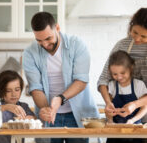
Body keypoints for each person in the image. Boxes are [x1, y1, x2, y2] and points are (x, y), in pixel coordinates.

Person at [22, 11, 99, 143]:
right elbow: (35, 88)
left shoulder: (77, 45)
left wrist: (60, 98)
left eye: (48, 38)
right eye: (39, 40)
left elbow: (81, 81)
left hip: (78, 115)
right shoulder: (30, 53)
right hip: (49, 117)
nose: (45, 44)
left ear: (57, 28)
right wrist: (45, 108)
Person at [97, 8, 147, 122]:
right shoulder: (122, 45)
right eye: (134, 32)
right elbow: (103, 80)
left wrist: (135, 104)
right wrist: (108, 102)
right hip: (122, 117)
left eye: (143, 36)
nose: (137, 39)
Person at [106, 50, 147, 143]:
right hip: (115, 132)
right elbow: (108, 108)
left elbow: (145, 107)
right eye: (115, 74)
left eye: (123, 73)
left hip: (135, 130)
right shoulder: (112, 85)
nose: (119, 77)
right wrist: (110, 121)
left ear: (131, 68)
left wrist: (132, 121)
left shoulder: (139, 85)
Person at [0, 70, 35, 143]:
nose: (14, 94)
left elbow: (33, 118)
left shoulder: (23, 106)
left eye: (17, 90)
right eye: (8, 91)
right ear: (0, 91)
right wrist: (5, 107)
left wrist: (28, 119)